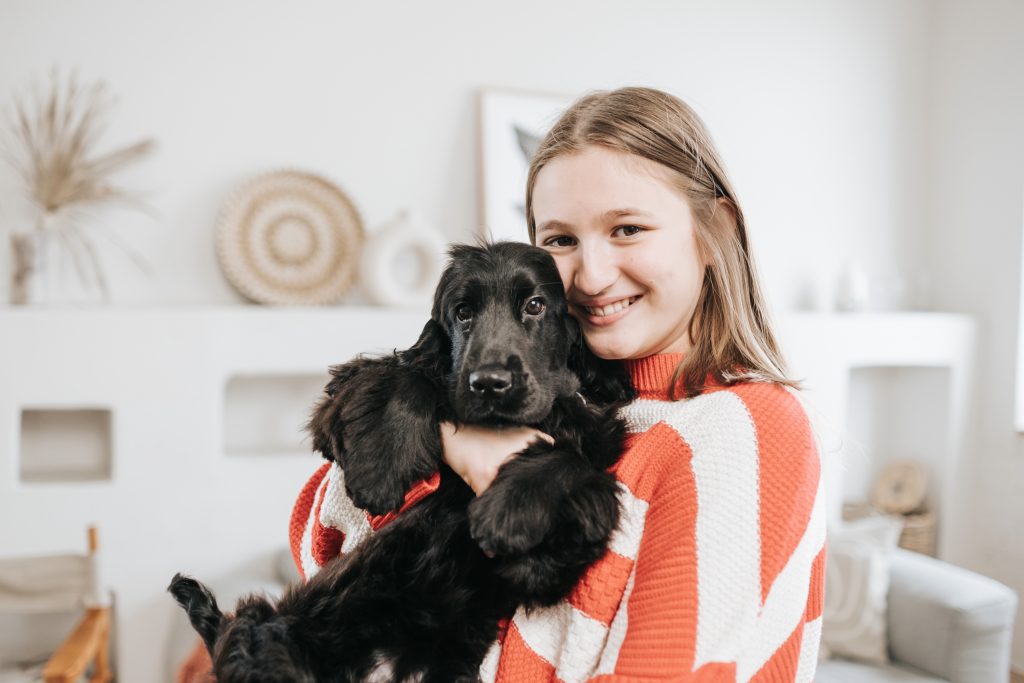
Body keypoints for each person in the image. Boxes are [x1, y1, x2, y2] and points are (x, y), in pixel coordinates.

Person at [180, 87, 825, 682]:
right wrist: (449, 438)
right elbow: (323, 538)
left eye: (628, 228)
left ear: (715, 232)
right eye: (561, 239)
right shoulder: (564, 392)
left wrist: (493, 471)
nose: (593, 275)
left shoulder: (746, 428)